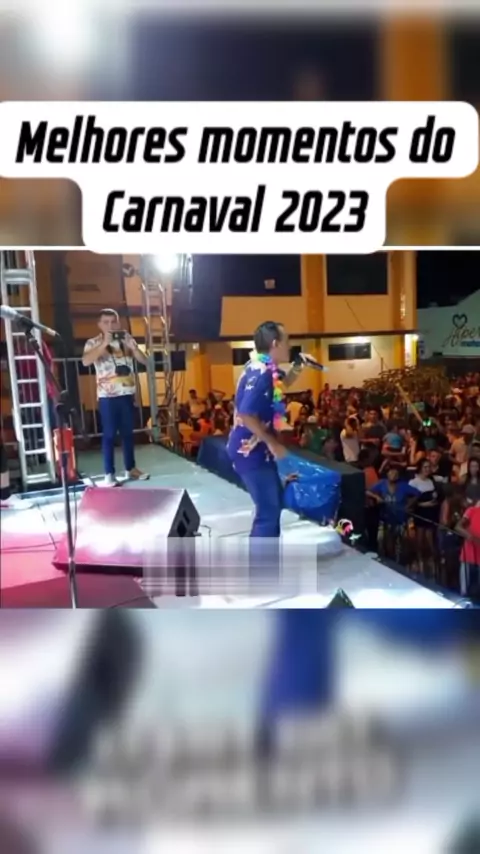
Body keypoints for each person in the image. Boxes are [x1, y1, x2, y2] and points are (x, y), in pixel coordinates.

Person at [227, 321, 305, 543]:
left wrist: (299, 366)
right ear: (275, 343)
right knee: (268, 512)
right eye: (287, 340)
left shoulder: (265, 368)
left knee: (273, 505)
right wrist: (272, 442)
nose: (289, 345)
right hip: (249, 451)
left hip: (258, 450)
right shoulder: (261, 373)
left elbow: (281, 385)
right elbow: (246, 414)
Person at [82, 308, 149, 486]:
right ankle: (109, 474)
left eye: (113, 321)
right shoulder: (93, 342)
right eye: (106, 322)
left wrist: (135, 348)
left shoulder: (126, 340)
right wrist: (104, 344)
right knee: (109, 435)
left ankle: (131, 468)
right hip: (107, 396)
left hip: (127, 394)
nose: (110, 325)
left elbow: (145, 361)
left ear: (118, 323)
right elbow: (86, 361)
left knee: (128, 433)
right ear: (99, 324)